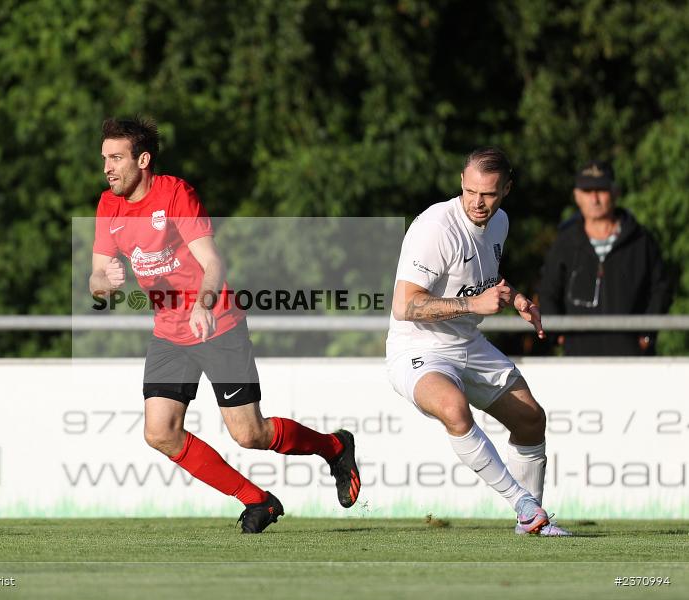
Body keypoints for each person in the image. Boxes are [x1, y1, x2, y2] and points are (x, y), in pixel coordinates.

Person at [89, 117, 360, 533]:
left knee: (250, 434)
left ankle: (335, 447)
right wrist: (104, 283)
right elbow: (96, 283)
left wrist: (204, 304)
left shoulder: (176, 194)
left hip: (217, 324)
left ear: (143, 160)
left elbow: (213, 262)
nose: (107, 166)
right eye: (105, 157)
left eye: (116, 158)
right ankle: (258, 501)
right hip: (168, 333)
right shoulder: (109, 206)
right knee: (160, 432)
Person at [386, 147, 570, 536]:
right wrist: (475, 303)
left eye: (488, 193)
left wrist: (515, 298)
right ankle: (524, 507)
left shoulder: (499, 222)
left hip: (467, 342)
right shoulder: (436, 227)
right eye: (470, 191)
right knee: (453, 408)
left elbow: (484, 281)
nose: (478, 202)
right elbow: (404, 305)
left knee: (531, 419)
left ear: (506, 189)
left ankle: (531, 525)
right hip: (417, 349)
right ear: (462, 184)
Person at [539, 161, 671, 355]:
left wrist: (647, 334)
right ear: (577, 196)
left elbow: (662, 288)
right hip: (578, 358)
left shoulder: (641, 240)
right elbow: (547, 291)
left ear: (615, 192)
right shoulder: (564, 243)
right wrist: (557, 333)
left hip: (632, 359)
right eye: (587, 191)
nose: (594, 199)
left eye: (601, 190)